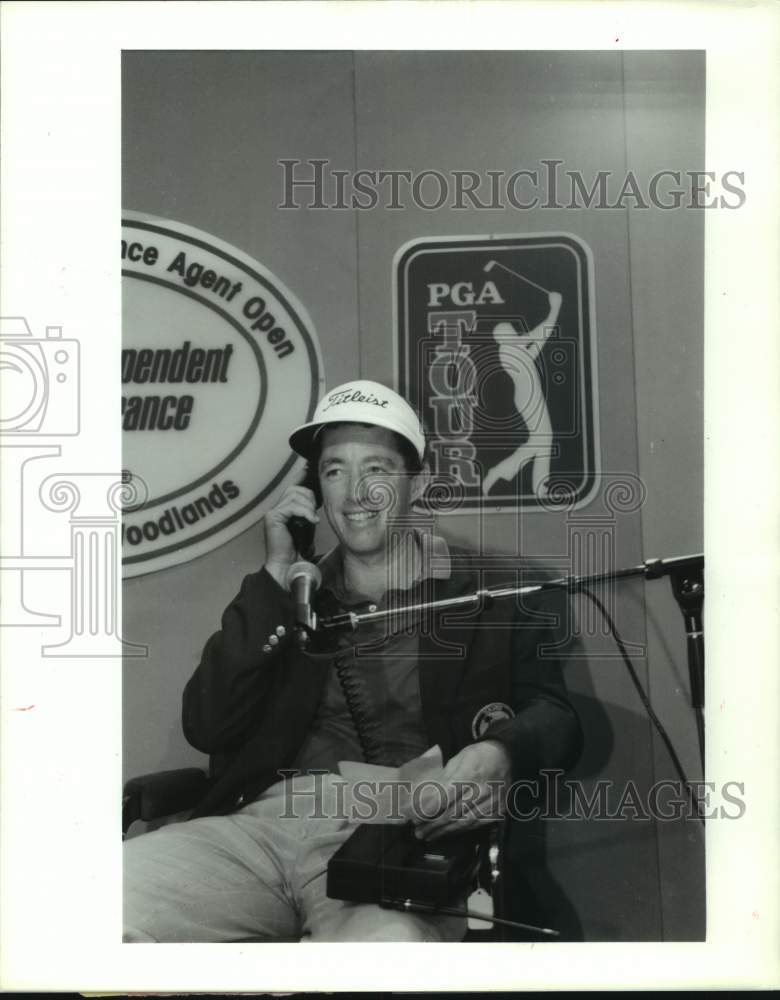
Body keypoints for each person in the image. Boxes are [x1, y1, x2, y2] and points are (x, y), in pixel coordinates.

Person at [123, 379, 582, 942]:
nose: (355, 492)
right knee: (88, 906)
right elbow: (208, 725)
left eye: (377, 470)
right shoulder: (291, 594)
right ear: (316, 491)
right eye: (335, 471)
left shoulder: (490, 590)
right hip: (259, 832)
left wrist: (500, 752)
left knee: (387, 954)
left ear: (418, 484)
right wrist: (276, 575)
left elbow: (555, 715)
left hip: (391, 837)